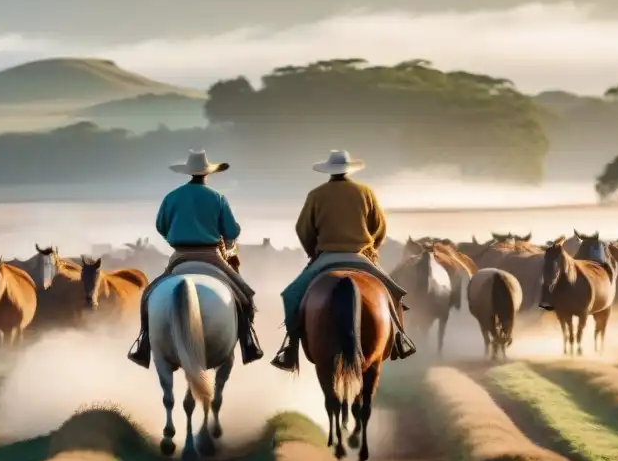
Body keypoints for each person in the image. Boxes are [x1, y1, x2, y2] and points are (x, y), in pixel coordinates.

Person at [270, 149, 411, 373]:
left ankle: (290, 347)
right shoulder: (366, 192)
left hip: (326, 257)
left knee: (291, 295)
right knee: (395, 292)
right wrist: (371, 249)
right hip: (361, 256)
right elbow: (380, 227)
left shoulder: (316, 194)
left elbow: (303, 229)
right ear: (349, 170)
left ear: (329, 170)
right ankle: (400, 340)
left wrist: (313, 252)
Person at [128, 150, 264, 369]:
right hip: (212, 255)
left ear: (188, 173)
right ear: (208, 174)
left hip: (179, 256)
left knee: (148, 296)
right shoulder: (218, 197)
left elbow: (160, 226)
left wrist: (175, 236)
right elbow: (232, 231)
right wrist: (225, 237)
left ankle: (143, 344)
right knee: (246, 296)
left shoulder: (171, 196)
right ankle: (248, 343)